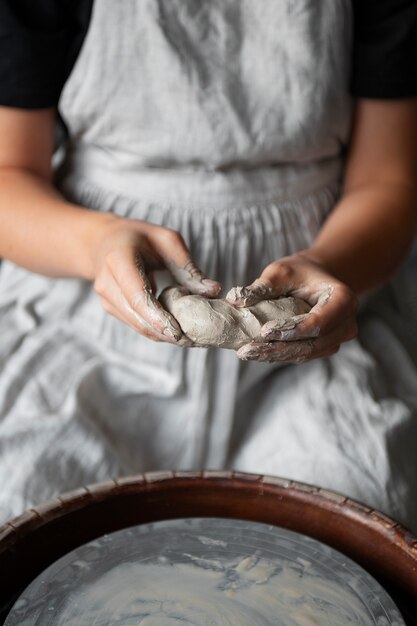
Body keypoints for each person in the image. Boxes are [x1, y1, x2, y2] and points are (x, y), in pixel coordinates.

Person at [0, 0, 416, 531]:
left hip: (315, 335)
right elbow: (8, 175)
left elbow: (388, 183)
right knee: (24, 507)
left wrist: (329, 264)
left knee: (362, 513)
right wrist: (96, 244)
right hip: (90, 316)